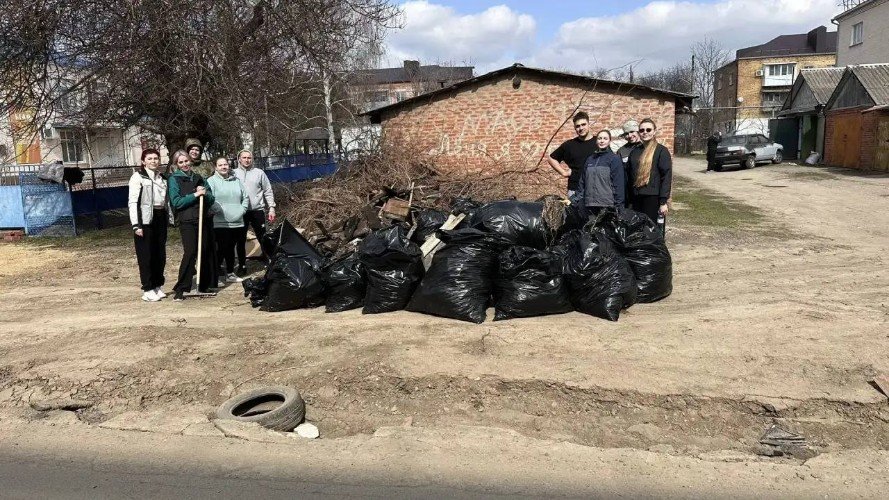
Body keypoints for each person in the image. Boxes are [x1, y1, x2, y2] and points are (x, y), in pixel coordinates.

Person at [168, 149, 218, 300]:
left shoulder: (198, 178)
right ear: (177, 164)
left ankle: (203, 285)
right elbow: (176, 202)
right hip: (187, 221)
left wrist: (205, 193)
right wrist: (195, 194)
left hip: (203, 219)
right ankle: (182, 287)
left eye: (186, 161)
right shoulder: (174, 179)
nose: (184, 164)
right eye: (181, 162)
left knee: (204, 251)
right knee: (190, 252)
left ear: (190, 161)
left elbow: (211, 199)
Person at [127, 148, 172, 302]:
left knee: (160, 254)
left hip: (160, 216)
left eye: (156, 158)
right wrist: (136, 225)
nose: (153, 161)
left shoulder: (162, 178)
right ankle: (147, 288)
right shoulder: (138, 177)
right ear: (143, 161)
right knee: (146, 255)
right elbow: (133, 202)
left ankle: (157, 285)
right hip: (145, 219)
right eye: (150, 158)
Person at [206, 156, 249, 284]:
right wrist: (217, 210)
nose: (223, 167)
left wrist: (242, 210)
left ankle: (230, 273)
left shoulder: (236, 181)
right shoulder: (211, 181)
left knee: (231, 248)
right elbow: (209, 198)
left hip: (237, 221)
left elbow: (245, 197)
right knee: (221, 249)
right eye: (220, 165)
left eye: (225, 164)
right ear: (216, 167)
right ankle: (215, 275)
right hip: (220, 222)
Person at [233, 149, 276, 271]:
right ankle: (242, 265)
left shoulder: (259, 173)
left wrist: (271, 207)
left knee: (262, 237)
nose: (247, 160)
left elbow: (268, 190)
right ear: (239, 159)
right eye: (244, 158)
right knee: (240, 239)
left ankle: (269, 261)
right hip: (241, 211)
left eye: (249, 158)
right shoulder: (233, 173)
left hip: (257, 210)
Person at [628, 118, 672, 233]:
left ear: (654, 131)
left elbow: (666, 177)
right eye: (642, 130)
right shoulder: (635, 151)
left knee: (652, 231)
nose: (645, 132)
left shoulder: (661, 151)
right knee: (638, 231)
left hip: (653, 199)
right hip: (637, 198)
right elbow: (629, 175)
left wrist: (663, 202)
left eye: (648, 129)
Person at [547, 111, 599, 199]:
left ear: (588, 124)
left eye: (583, 124)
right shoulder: (569, 145)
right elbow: (551, 158)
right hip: (575, 189)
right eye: (577, 126)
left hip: (597, 189)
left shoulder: (599, 142)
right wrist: (563, 172)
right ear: (575, 128)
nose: (581, 128)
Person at [575, 130, 625, 217]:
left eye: (605, 138)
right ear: (596, 141)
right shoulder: (590, 159)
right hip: (589, 204)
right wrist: (576, 199)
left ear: (609, 141)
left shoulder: (614, 159)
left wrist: (619, 205)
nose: (602, 141)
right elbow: (582, 181)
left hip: (607, 205)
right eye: (599, 138)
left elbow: (618, 183)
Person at [617, 120, 642, 207]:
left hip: (644, 190)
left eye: (632, 132)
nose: (630, 135)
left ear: (638, 131)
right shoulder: (622, 151)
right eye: (626, 134)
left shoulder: (646, 147)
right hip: (628, 192)